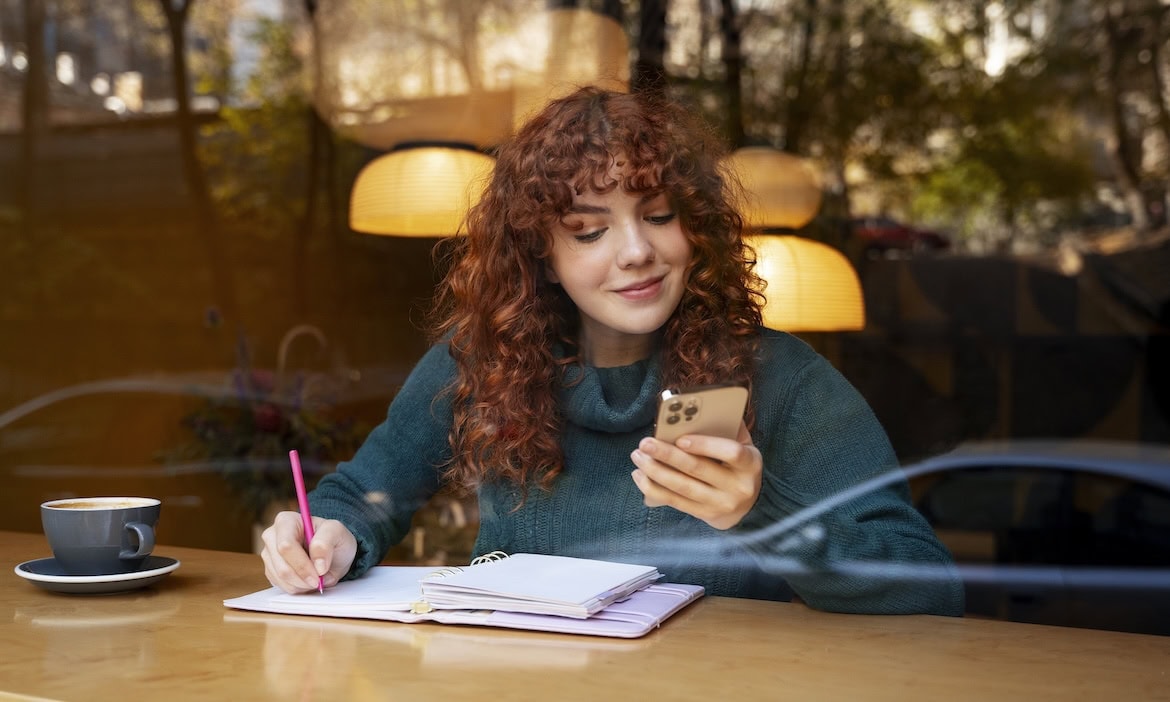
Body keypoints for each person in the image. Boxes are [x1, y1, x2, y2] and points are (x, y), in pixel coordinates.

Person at [260, 87, 964, 616]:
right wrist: (331, 535)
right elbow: (366, 495)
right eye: (589, 231)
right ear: (542, 253)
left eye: (659, 215)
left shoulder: (782, 378)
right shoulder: (482, 359)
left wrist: (764, 511)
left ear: (695, 226)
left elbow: (929, 586)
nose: (636, 253)